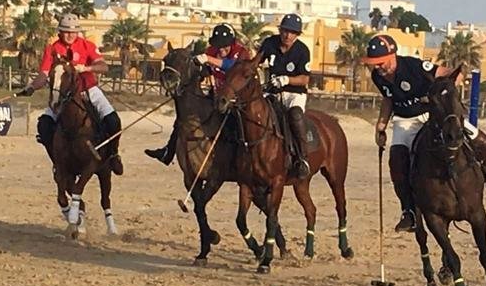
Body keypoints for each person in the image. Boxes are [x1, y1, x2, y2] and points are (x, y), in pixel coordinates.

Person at [364, 33, 486, 233]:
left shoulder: (413, 67)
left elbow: (452, 73)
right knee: (397, 162)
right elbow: (388, 99)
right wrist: (381, 125)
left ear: (393, 55)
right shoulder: (378, 76)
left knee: (481, 141)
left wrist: (444, 93)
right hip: (405, 121)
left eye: (380, 62)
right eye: (374, 63)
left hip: (434, 115)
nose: (378, 67)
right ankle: (408, 211)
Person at [16, 13, 124, 175]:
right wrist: (31, 87)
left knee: (113, 121)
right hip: (63, 94)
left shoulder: (87, 45)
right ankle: (57, 162)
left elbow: (103, 66)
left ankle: (114, 155)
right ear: (60, 32)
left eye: (73, 32)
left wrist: (87, 68)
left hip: (88, 89)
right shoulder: (52, 49)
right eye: (66, 31)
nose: (70, 35)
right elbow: (44, 74)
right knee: (44, 126)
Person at [145, 23, 252, 165]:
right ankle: (168, 151)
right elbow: (203, 72)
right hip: (216, 96)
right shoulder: (211, 51)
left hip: (238, 99)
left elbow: (231, 66)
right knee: (185, 116)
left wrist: (208, 60)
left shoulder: (242, 52)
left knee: (239, 125)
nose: (221, 49)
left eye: (224, 46)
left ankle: (243, 157)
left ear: (231, 43)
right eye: (218, 45)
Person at [254, 13, 311, 178]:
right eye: (285, 31)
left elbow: (305, 79)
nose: (287, 35)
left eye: (291, 32)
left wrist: (287, 79)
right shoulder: (270, 43)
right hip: (271, 92)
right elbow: (256, 61)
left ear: (297, 34)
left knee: (295, 115)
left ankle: (302, 158)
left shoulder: (302, 50)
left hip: (294, 94)